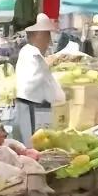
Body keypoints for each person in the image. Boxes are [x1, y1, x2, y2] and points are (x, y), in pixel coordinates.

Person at [15, 13, 66, 143]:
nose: (48, 40)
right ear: (38, 34)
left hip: (35, 107)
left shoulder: (31, 52)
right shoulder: (32, 53)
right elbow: (31, 84)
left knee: (37, 144)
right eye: (47, 35)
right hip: (32, 107)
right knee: (33, 144)